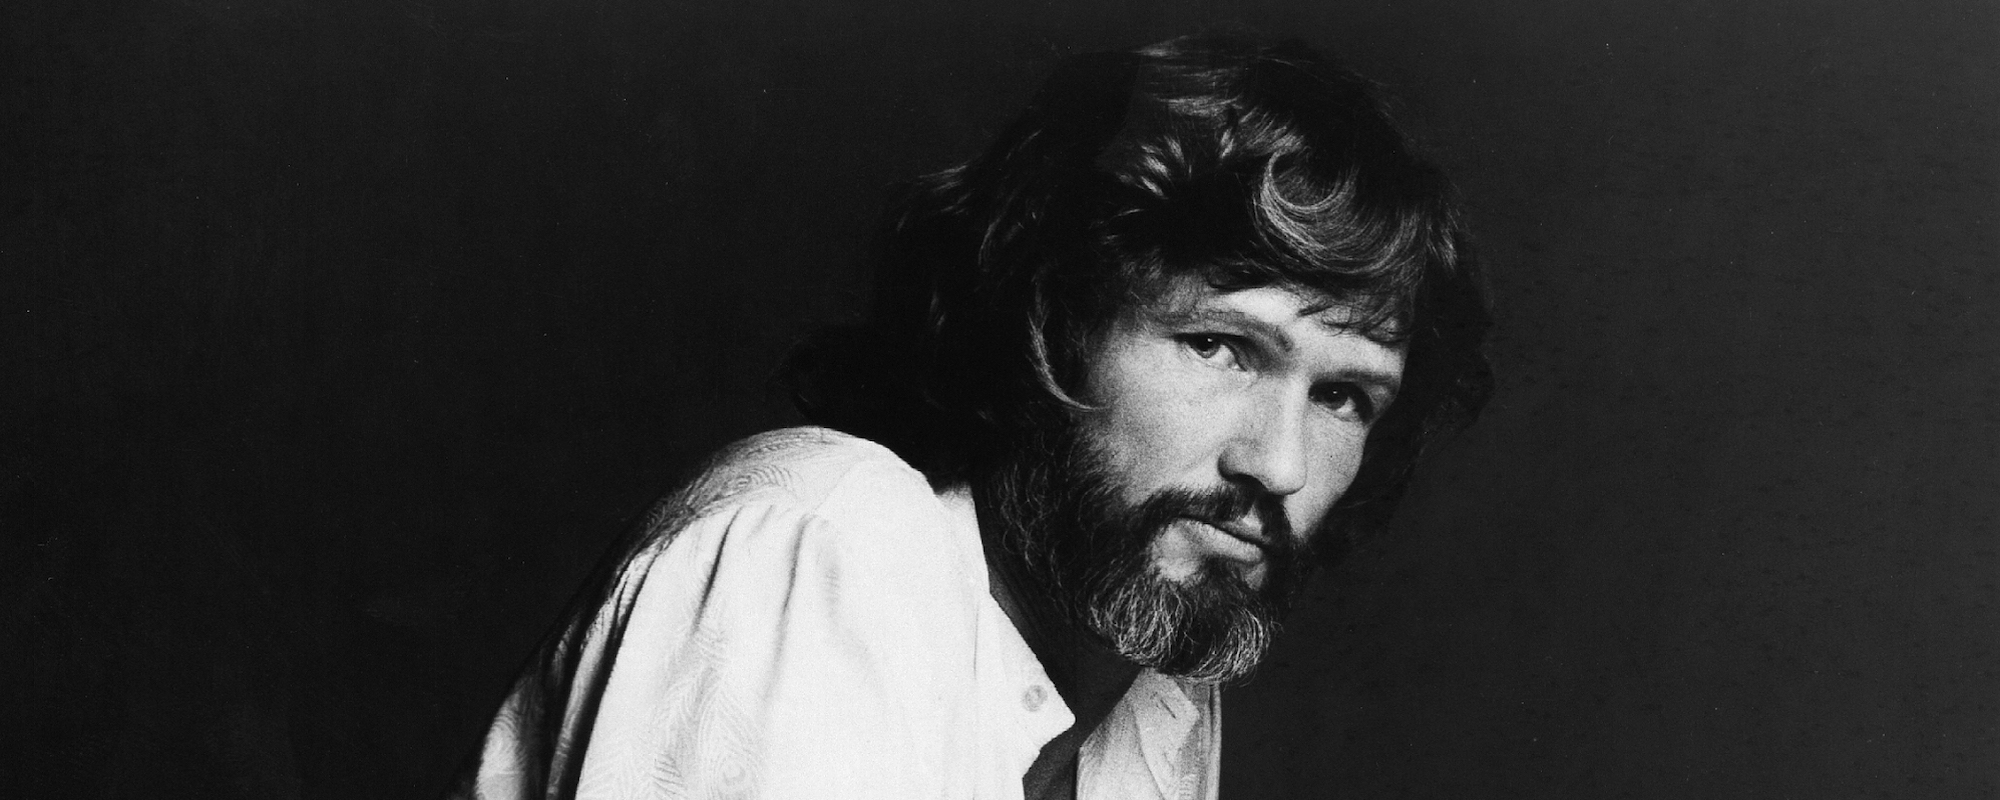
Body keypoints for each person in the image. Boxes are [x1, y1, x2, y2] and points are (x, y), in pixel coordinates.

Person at [448, 31, 1493, 800]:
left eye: (1344, 395)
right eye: (1218, 346)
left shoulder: (1160, 679)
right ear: (1048, 319)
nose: (1279, 464)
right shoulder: (822, 547)